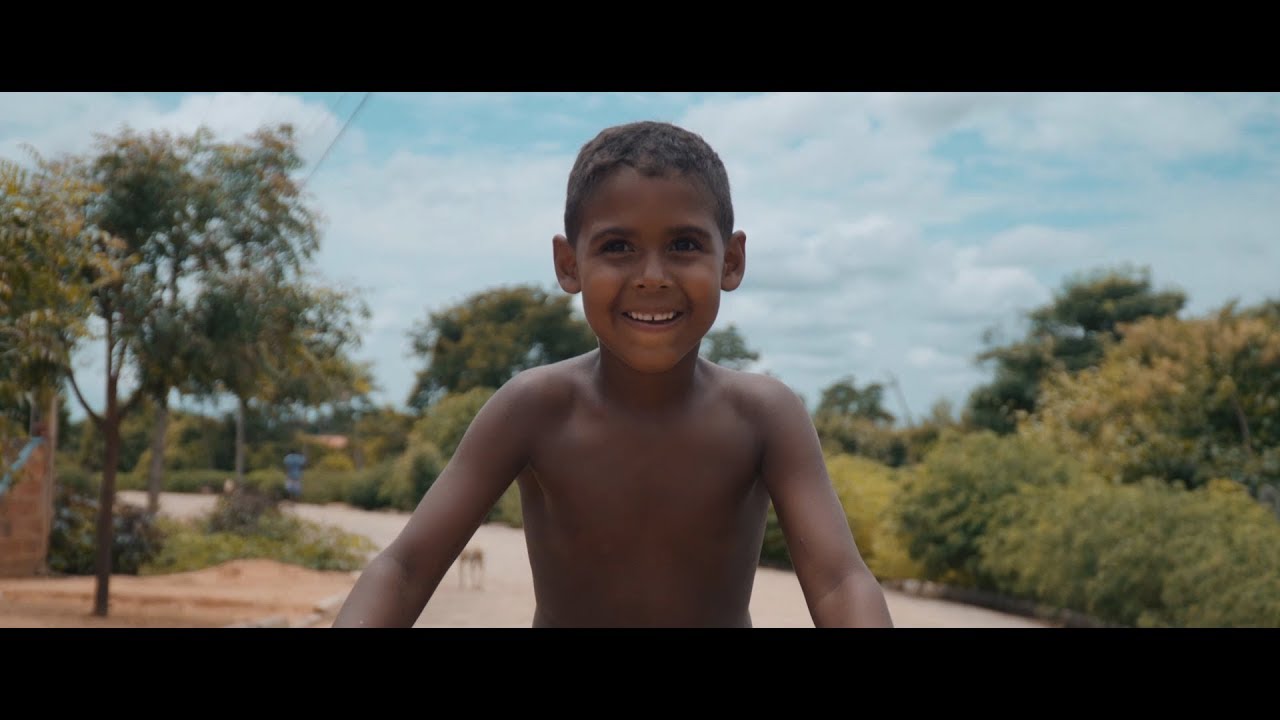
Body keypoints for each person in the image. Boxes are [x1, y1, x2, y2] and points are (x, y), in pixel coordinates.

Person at [333, 121, 894, 628]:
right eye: (618, 246)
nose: (652, 277)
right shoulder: (532, 408)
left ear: (731, 261)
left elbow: (841, 583)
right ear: (569, 264)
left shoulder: (765, 415)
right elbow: (403, 570)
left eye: (683, 244)